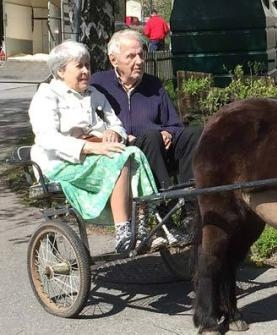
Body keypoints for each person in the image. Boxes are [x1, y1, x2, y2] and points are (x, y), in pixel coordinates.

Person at [28, 40, 160, 253]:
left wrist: (113, 132)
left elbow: (117, 125)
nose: (86, 71)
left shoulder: (93, 94)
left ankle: (142, 227)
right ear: (61, 71)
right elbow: (47, 138)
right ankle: (123, 231)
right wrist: (90, 148)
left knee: (134, 153)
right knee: (119, 158)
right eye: (79, 66)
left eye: (88, 65)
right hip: (60, 163)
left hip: (95, 155)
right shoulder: (46, 96)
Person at [90, 29, 200, 241]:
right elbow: (86, 124)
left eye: (141, 54)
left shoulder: (154, 85)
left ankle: (190, 210)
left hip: (158, 147)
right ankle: (163, 210)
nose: (139, 61)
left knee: (193, 135)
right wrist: (114, 135)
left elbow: (175, 124)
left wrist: (169, 131)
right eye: (131, 56)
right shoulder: (98, 85)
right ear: (113, 59)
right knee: (151, 135)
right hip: (124, 153)